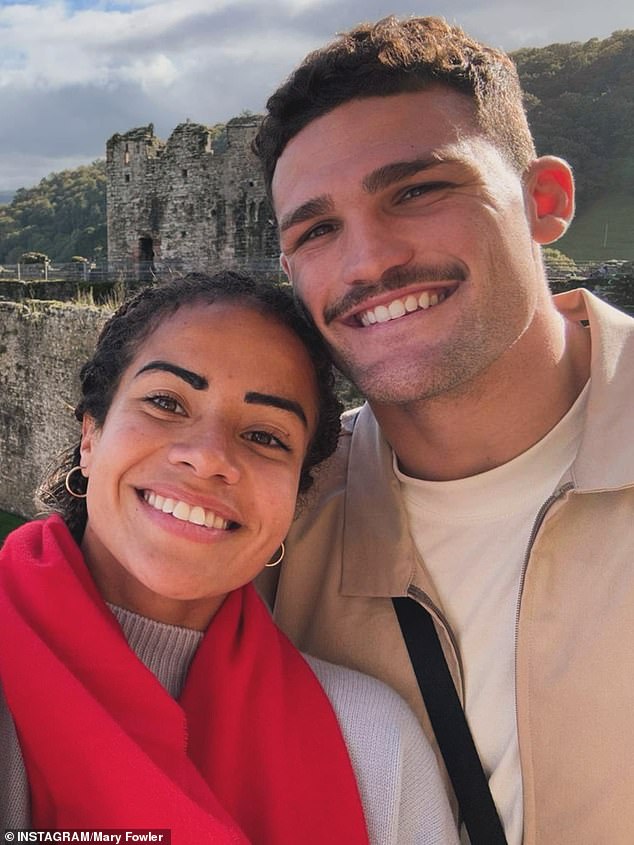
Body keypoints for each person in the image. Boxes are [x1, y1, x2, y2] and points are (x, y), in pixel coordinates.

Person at [253, 15, 634, 845]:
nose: (367, 261)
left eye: (417, 191)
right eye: (317, 230)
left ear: (544, 201)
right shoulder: (272, 528)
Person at [0, 271, 459, 844]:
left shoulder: (374, 744)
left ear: (295, 498)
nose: (209, 457)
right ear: (91, 437)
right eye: (166, 402)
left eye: (266, 436)